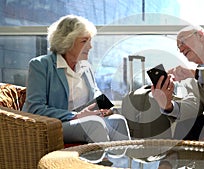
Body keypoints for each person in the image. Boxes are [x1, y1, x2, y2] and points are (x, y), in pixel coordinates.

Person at [22, 15, 131, 143]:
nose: (90, 47)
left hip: (83, 121)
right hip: (54, 125)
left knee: (118, 121)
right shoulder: (40, 65)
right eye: (84, 41)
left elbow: (95, 93)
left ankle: (121, 162)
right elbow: (35, 108)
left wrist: (107, 108)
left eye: (90, 41)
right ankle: (100, 163)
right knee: (94, 124)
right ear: (67, 42)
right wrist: (76, 116)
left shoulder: (85, 66)